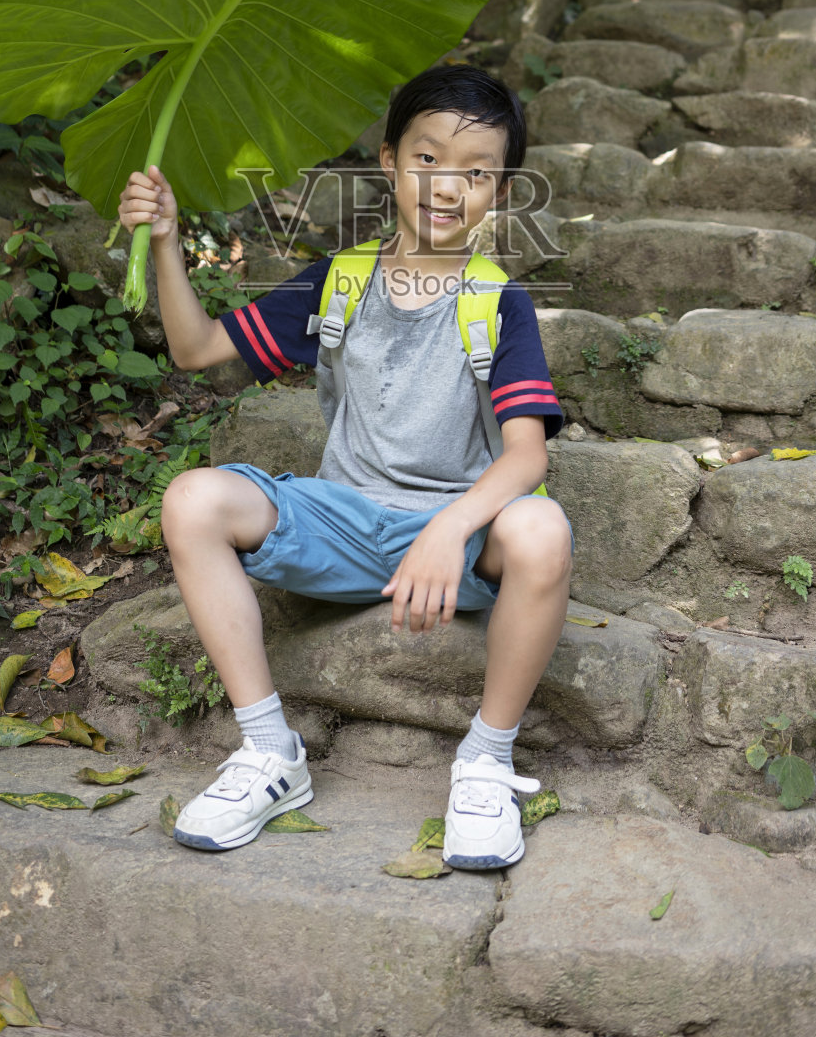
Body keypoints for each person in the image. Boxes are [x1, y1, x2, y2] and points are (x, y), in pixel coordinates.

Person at [117, 63, 572, 869]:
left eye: (475, 173)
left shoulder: (499, 301)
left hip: (456, 543)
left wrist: (449, 528)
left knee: (539, 526)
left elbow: (525, 456)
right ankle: (268, 753)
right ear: (390, 162)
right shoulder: (341, 280)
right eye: (427, 159)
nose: (445, 186)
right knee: (192, 499)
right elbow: (195, 350)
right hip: (344, 519)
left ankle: (485, 761)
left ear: (500, 194)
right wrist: (164, 242)